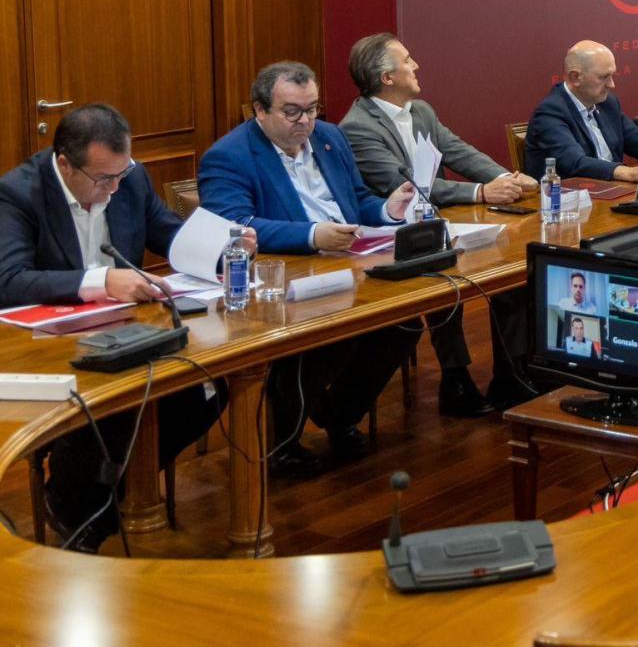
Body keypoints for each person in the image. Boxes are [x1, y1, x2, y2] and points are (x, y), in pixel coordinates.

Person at [0, 104, 236, 553]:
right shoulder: (18, 193)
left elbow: (166, 232)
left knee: (205, 388)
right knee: (112, 408)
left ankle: (102, 499)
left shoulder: (130, 179)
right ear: (65, 164)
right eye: (103, 179)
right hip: (54, 343)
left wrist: (223, 251)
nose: (113, 189)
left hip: (131, 331)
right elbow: (8, 281)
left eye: (120, 175)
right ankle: (77, 508)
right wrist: (101, 281)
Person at [199, 62, 419, 477]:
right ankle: (283, 439)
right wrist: (312, 235)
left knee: (405, 321)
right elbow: (234, 225)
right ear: (259, 110)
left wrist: (388, 208)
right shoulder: (228, 157)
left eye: (313, 109)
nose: (306, 122)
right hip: (283, 278)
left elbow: (356, 200)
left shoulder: (330, 137)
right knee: (331, 333)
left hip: (354, 262)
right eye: (292, 112)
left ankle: (337, 414)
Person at [340, 33, 537, 417]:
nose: (416, 67)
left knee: (512, 269)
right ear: (386, 78)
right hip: (392, 235)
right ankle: (455, 376)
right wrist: (481, 193)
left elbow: (458, 150)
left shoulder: (421, 110)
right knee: (446, 281)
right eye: (408, 60)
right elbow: (405, 185)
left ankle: (513, 374)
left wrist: (507, 178)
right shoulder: (357, 127)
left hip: (441, 222)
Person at [526, 41, 638, 181]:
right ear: (575, 77)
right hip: (572, 197)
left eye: (612, 76)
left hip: (612, 190)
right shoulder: (550, 113)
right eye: (604, 77)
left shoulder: (607, 103)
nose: (612, 84)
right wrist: (626, 172)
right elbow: (575, 162)